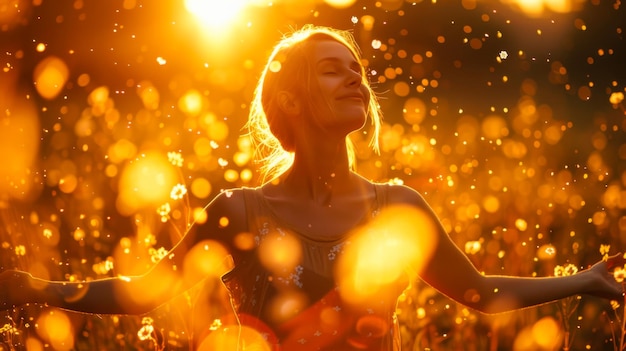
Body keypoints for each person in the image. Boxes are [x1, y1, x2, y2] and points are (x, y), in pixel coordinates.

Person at [0, 25, 624, 351]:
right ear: (291, 98)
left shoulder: (397, 207)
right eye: (332, 70)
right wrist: (33, 289)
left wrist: (589, 279)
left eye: (358, 71)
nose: (355, 80)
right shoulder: (238, 211)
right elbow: (145, 292)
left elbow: (481, 293)